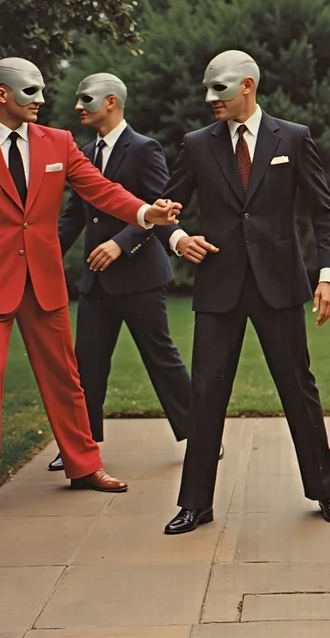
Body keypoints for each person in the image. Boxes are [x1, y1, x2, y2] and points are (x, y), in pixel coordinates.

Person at [0, 57, 181, 523]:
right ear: (3, 94)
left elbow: (102, 191)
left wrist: (147, 214)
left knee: (65, 375)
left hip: (44, 283)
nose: (42, 100)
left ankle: (84, 466)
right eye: (31, 91)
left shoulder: (59, 143)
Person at [160, 50, 330, 535]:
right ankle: (194, 503)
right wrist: (179, 240)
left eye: (218, 90)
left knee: (298, 389)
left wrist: (328, 274)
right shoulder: (196, 145)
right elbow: (166, 210)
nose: (209, 100)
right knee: (205, 394)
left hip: (280, 285)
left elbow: (323, 213)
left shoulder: (293, 137)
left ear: (247, 85)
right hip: (219, 287)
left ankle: (327, 490)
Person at [47, 72, 205, 471]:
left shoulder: (144, 149)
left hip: (140, 277)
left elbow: (158, 205)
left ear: (112, 102)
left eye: (87, 99)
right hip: (95, 281)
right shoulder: (80, 153)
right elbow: (71, 219)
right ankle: (79, 447)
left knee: (161, 358)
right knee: (87, 364)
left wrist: (120, 242)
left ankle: (202, 438)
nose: (78, 107)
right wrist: (37, 257)